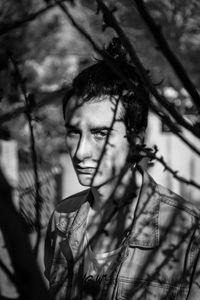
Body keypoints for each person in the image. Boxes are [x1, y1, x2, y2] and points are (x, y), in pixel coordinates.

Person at [44, 38, 200, 300]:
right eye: (73, 133)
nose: (80, 152)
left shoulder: (188, 232)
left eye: (100, 133)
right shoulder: (62, 219)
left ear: (137, 137)